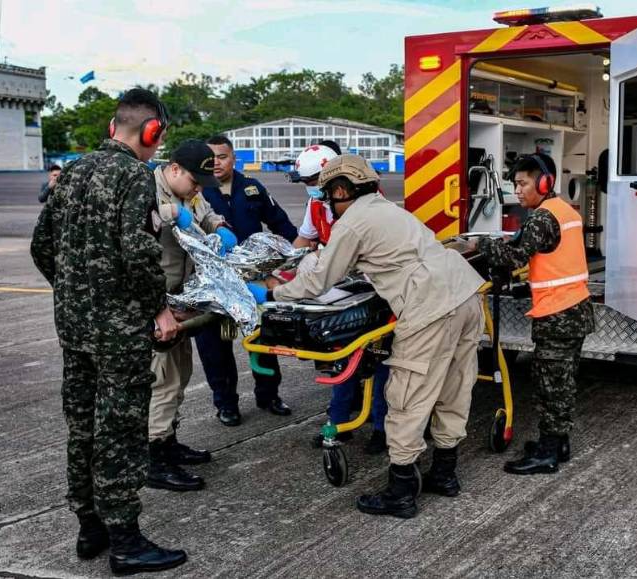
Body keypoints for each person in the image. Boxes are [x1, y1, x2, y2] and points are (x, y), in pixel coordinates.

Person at [251, 154, 485, 518]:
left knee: (408, 394)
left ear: (342, 189)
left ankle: (401, 492)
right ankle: (445, 473)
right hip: (465, 295)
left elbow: (318, 280)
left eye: (330, 195)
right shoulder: (388, 210)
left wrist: (270, 295)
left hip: (430, 306)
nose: (329, 203)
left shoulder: (354, 221)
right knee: (454, 386)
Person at [30, 88, 186, 575]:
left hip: (73, 327)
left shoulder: (72, 172)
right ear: (151, 132)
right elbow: (139, 256)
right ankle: (124, 539)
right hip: (118, 333)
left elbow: (42, 247)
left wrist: (74, 293)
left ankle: (89, 526)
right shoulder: (131, 176)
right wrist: (158, 308)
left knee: (82, 427)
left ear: (110, 127)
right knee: (117, 429)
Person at [474, 153, 595, 476]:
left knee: (550, 384)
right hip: (574, 309)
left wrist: (481, 244)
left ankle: (547, 452)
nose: (518, 190)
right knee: (563, 381)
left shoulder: (543, 218)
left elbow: (514, 256)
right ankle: (559, 442)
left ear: (544, 183)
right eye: (515, 183)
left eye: (523, 183)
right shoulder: (563, 210)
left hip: (558, 314)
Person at [147, 139, 237, 492]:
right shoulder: (146, 188)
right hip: (155, 303)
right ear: (174, 169)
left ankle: (168, 441)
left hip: (181, 301)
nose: (198, 189)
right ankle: (154, 457)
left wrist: (219, 227)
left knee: (180, 373)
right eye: (194, 181)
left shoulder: (189, 192)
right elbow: (146, 224)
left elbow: (205, 212)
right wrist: (172, 214)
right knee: (161, 381)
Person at [292, 142, 390, 454]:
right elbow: (305, 238)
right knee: (342, 355)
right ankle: (339, 420)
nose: (311, 191)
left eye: (313, 183)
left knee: (383, 359)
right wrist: (289, 264)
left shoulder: (369, 205)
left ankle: (382, 427)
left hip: (376, 291)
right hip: (340, 291)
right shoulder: (317, 204)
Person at [196, 135, 297, 426]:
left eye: (222, 156)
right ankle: (226, 404)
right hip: (214, 282)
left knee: (266, 338)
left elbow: (280, 222)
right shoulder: (198, 191)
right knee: (215, 347)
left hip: (253, 280)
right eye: (210, 157)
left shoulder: (252, 188)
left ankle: (269, 395)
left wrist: (301, 251)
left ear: (234, 158)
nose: (216, 162)